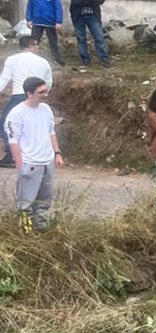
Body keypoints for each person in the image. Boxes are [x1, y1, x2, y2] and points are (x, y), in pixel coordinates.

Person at [6, 77, 62, 233]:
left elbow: (51, 131)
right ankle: (26, 235)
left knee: (44, 202)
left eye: (46, 91)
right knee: (25, 204)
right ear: (29, 93)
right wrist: (20, 165)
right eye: (41, 92)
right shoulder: (17, 113)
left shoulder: (45, 109)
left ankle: (43, 232)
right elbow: (13, 140)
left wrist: (57, 153)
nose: (45, 94)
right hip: (30, 163)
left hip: (47, 161)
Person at [0, 38, 53, 168]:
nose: (38, 47)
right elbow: (48, 81)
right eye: (36, 45)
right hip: (37, 97)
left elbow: (5, 78)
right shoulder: (43, 62)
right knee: (35, 127)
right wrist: (43, 94)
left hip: (19, 95)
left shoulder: (12, 59)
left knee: (6, 125)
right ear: (30, 46)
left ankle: (12, 155)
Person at [69, 0, 110, 68]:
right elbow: (75, 2)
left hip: (93, 16)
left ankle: (104, 60)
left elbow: (100, 1)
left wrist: (84, 2)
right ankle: (85, 61)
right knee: (81, 39)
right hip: (78, 16)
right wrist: (90, 2)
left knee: (99, 37)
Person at [26, 0, 65, 67]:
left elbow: (58, 8)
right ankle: (31, 59)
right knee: (34, 42)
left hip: (50, 22)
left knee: (53, 42)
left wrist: (58, 21)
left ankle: (57, 59)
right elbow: (29, 7)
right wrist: (29, 19)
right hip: (37, 22)